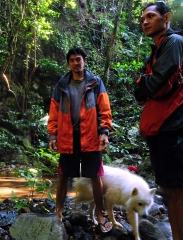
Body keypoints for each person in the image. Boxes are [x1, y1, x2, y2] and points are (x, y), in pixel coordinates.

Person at [135, 2, 183, 240]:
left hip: (175, 126)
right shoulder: (159, 49)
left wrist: (146, 83)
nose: (145, 21)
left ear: (167, 18)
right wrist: (146, 83)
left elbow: (156, 82)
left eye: (151, 16)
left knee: (178, 191)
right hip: (162, 127)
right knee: (170, 191)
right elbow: (148, 87)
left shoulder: (174, 42)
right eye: (143, 18)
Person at [47, 48, 112, 233]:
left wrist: (104, 131)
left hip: (91, 136)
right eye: (72, 60)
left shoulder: (95, 82)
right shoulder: (61, 85)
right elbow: (53, 112)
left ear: (84, 62)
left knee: (96, 176)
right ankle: (58, 212)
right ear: (68, 64)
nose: (76, 62)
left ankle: (100, 215)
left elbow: (104, 109)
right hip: (68, 137)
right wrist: (53, 135)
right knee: (63, 175)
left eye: (79, 59)